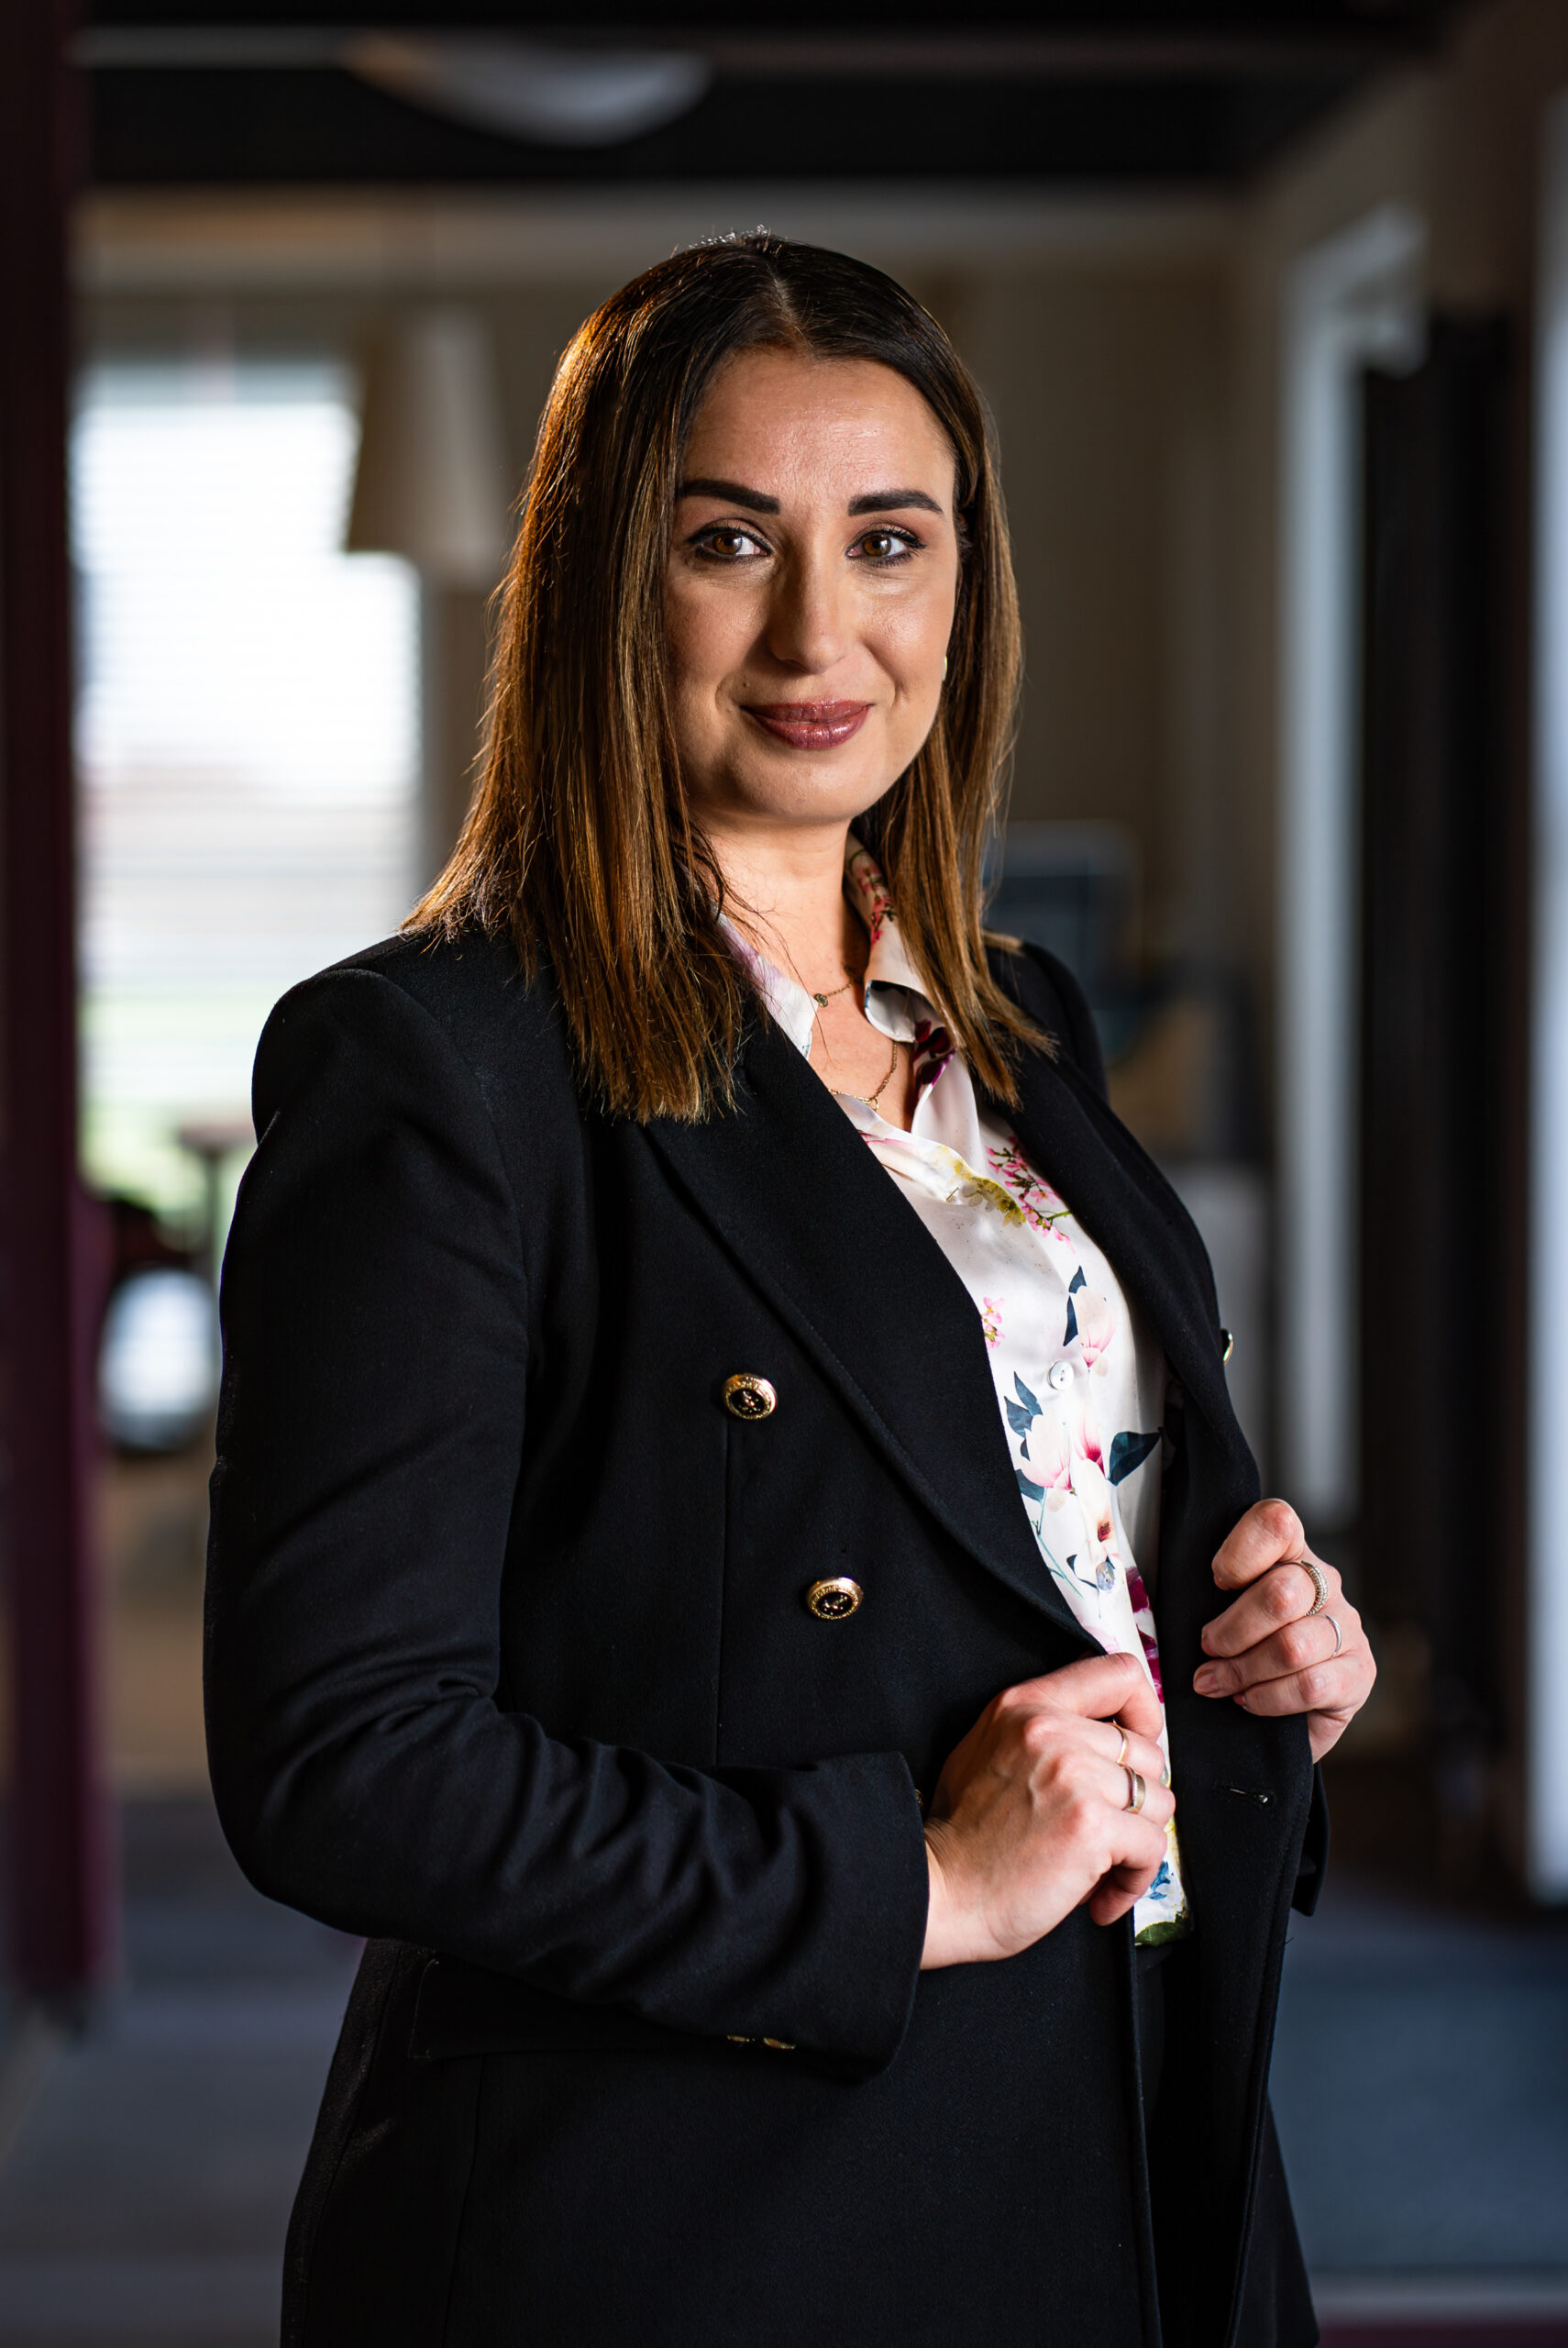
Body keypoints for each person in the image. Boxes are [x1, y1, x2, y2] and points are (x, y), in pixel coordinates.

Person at [205, 234, 1375, 2348]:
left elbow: (1034, 1540)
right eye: (730, 541)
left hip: (1125, 2130)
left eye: (889, 541)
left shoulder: (1016, 1018)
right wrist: (911, 1880)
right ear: (603, 583)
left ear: (963, 585)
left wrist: (1251, 1651)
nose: (821, 632)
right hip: (702, 2205)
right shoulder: (440, 1063)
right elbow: (342, 1759)